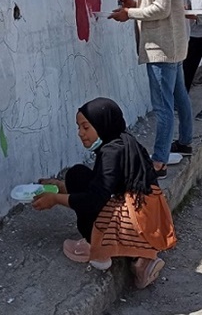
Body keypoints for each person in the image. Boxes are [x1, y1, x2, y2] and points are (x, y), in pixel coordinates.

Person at [32, 98, 177, 289]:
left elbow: (94, 199)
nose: (80, 133)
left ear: (101, 125)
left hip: (136, 221)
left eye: (85, 127)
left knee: (87, 201)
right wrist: (59, 186)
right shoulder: (124, 141)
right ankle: (139, 251)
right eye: (78, 127)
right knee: (78, 175)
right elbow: (102, 184)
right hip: (151, 216)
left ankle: (106, 250)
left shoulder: (110, 153)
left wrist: (55, 199)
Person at [109, 0, 194, 179]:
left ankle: (158, 163)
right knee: (179, 97)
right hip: (172, 47)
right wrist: (135, 4)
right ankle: (186, 142)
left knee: (163, 107)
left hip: (161, 49)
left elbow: (160, 10)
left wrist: (129, 13)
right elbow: (160, 4)